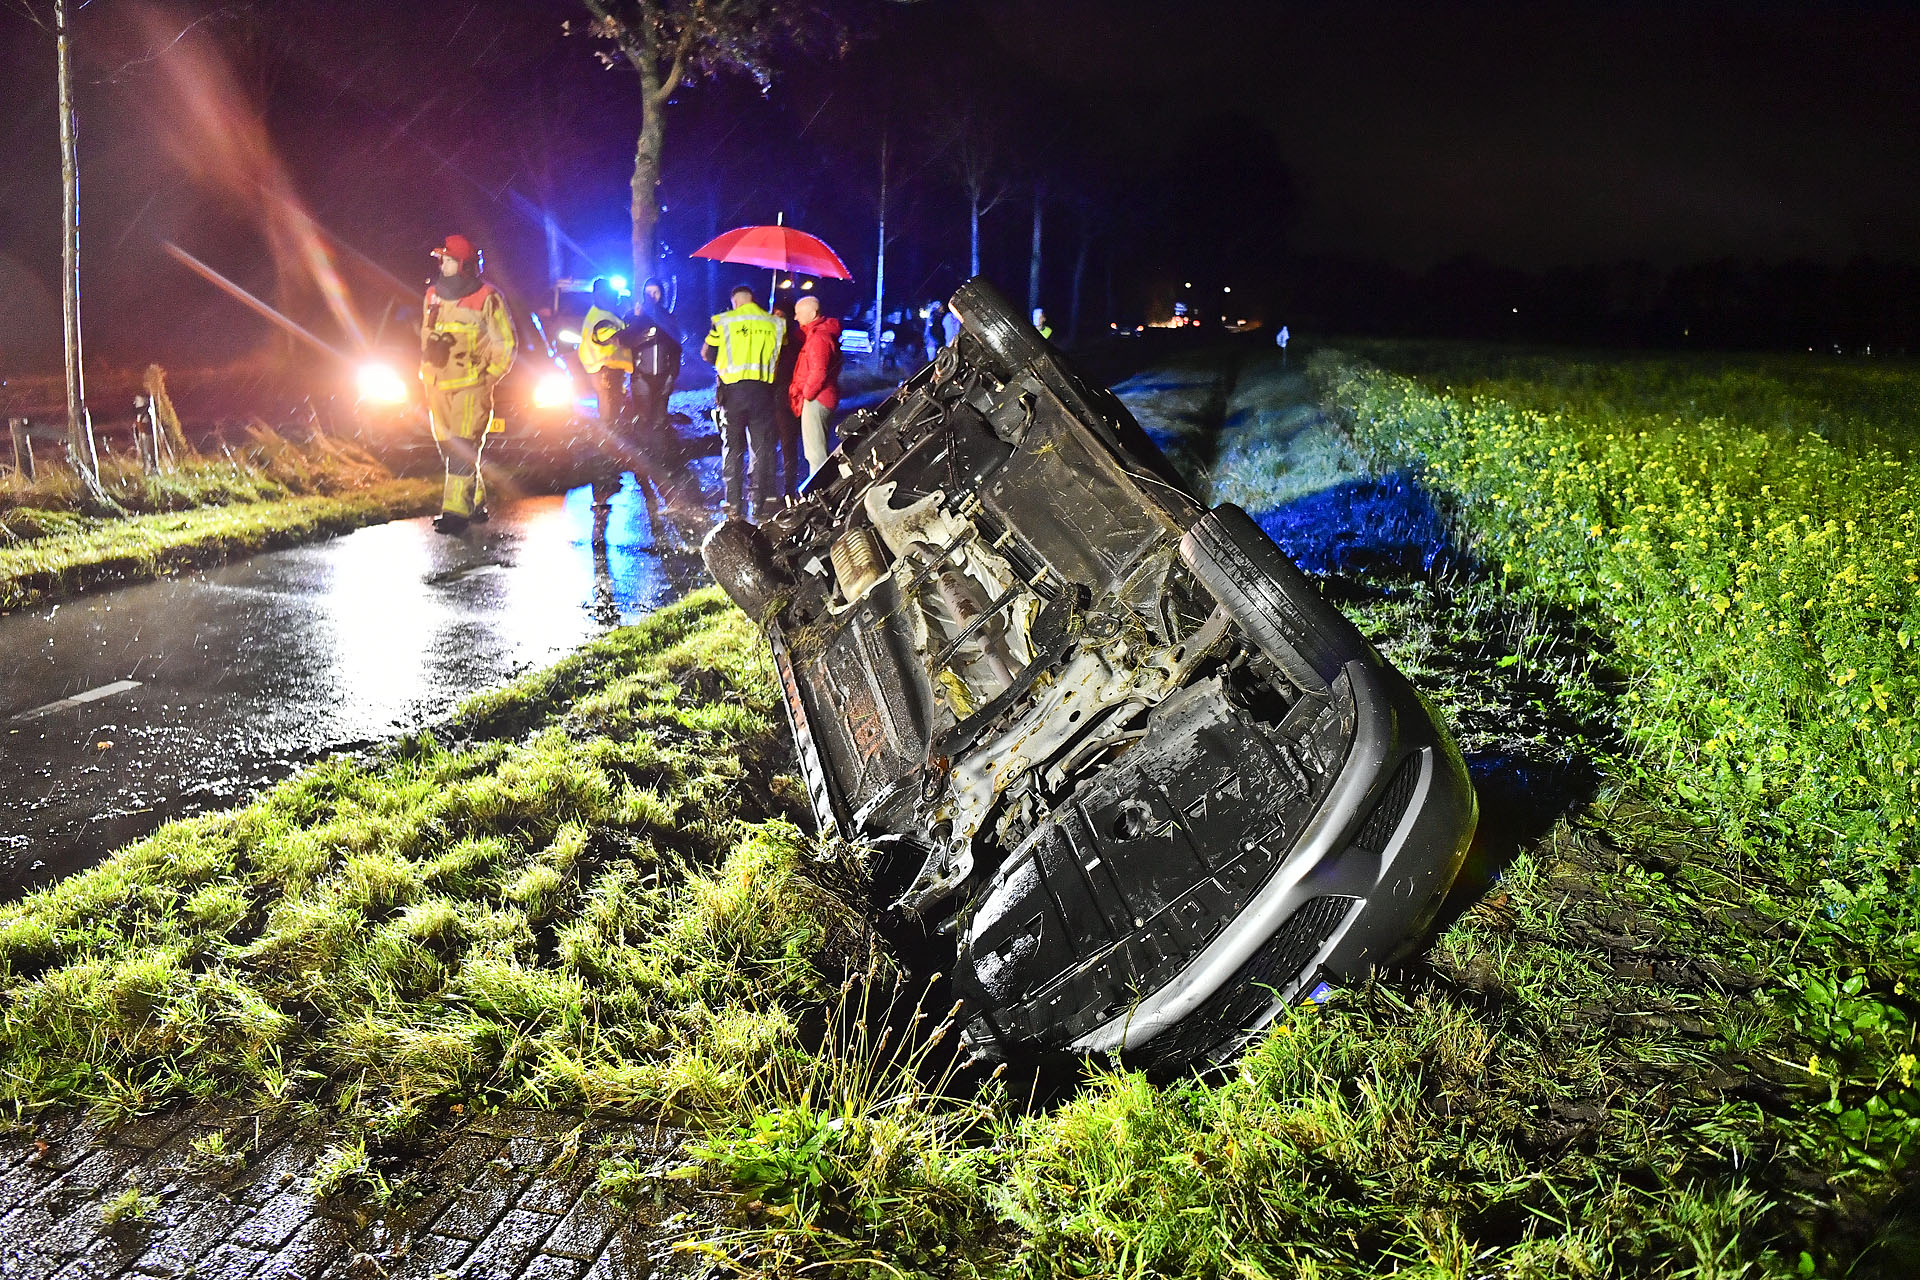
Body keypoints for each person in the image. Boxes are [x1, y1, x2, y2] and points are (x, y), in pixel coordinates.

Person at [420, 234, 515, 534]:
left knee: (462, 447)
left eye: (448, 260)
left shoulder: (488, 297)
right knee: (448, 446)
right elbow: (426, 333)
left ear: (464, 265)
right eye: (442, 260)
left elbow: (505, 343)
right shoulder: (432, 294)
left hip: (471, 386)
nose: (442, 265)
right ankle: (474, 503)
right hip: (437, 384)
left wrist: (489, 377)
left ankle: (455, 514)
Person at [702, 284, 786, 521]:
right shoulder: (775, 323)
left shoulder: (723, 321)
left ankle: (733, 503)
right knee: (760, 448)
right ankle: (758, 503)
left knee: (732, 447)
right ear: (752, 299)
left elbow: (707, 354)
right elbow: (781, 353)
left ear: (735, 301)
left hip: (733, 393)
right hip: (763, 392)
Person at [788, 295, 842, 480]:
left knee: (815, 453)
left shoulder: (818, 338)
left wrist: (807, 394)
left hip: (817, 399)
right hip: (822, 397)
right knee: (816, 450)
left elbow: (818, 372)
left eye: (798, 313)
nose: (796, 317)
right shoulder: (819, 335)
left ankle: (820, 488)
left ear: (812, 313)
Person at [629, 278, 682, 464]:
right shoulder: (635, 316)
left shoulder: (668, 318)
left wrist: (673, 374)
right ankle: (642, 459)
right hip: (641, 376)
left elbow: (676, 349)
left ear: (661, 294)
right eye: (648, 293)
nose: (652, 296)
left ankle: (659, 461)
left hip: (663, 375)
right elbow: (626, 341)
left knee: (659, 420)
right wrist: (637, 319)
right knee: (643, 418)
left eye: (656, 292)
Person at [771, 301, 804, 500]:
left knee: (788, 444)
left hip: (787, 399)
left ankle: (789, 488)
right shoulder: (769, 339)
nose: (777, 320)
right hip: (770, 399)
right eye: (774, 316)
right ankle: (769, 488)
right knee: (767, 444)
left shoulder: (795, 342)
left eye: (781, 316)